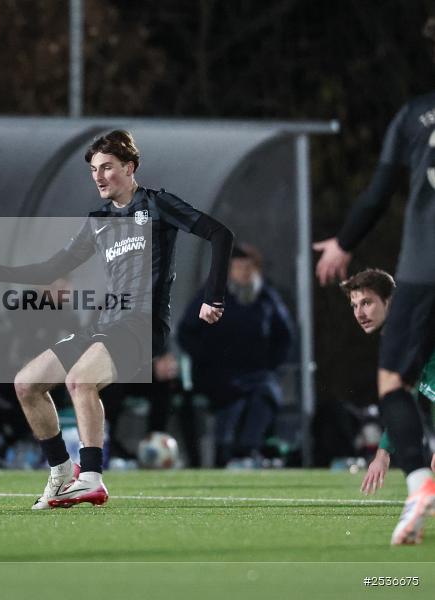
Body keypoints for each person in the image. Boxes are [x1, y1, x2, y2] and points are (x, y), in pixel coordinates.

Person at [0, 129, 234, 508]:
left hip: (143, 323)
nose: (98, 176)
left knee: (80, 381)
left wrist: (212, 295)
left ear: (130, 168)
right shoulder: (98, 220)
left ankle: (91, 478)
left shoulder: (156, 204)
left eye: (107, 167)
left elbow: (220, 234)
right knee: (27, 384)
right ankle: (60, 472)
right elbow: (49, 269)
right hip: (107, 323)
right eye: (93, 170)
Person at [313, 24, 435, 540]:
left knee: (393, 383)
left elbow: (380, 191)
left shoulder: (414, 116)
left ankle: (421, 483)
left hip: (425, 266)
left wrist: (343, 241)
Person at [177, 243, 294, 467]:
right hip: (217, 375)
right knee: (235, 398)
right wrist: (205, 358)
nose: (244, 272)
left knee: (265, 393)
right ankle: (225, 451)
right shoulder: (211, 295)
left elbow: (285, 336)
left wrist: (271, 366)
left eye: (248, 267)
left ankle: (246, 451)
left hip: (257, 374)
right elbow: (186, 332)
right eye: (238, 267)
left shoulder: (267, 298)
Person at [336, 269, 435, 497]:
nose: (359, 313)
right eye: (354, 306)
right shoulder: (399, 335)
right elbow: (407, 399)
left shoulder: (417, 331)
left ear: (389, 301)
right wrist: (383, 453)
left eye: (367, 303)